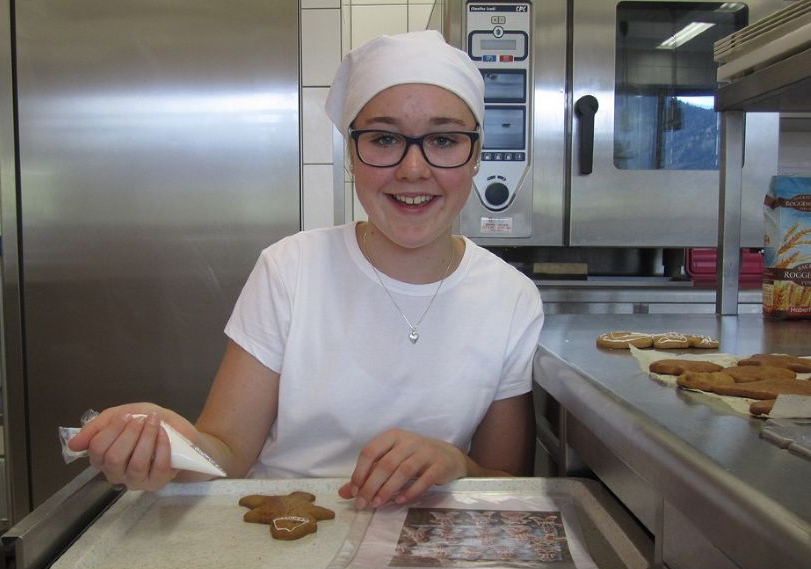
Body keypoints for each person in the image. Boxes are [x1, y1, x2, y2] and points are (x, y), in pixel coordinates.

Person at [68, 30, 544, 509]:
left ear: (478, 153)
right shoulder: (291, 269)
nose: (413, 169)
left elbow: (506, 481)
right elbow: (228, 453)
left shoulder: (510, 298)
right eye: (383, 139)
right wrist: (166, 443)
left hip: (428, 551)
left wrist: (456, 464)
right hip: (282, 543)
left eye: (443, 139)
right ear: (353, 155)